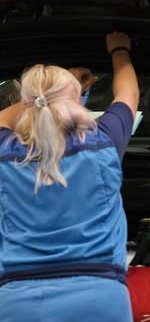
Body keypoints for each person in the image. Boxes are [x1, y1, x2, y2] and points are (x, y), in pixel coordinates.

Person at [0, 32, 139, 321]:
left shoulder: (6, 152)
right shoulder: (105, 140)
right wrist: (119, 50)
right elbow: (128, 95)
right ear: (75, 99)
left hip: (19, 300)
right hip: (100, 296)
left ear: (25, 103)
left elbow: (3, 118)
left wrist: (44, 97)